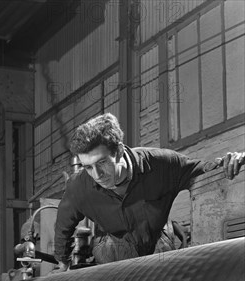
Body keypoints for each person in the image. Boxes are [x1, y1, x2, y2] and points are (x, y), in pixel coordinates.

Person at [54, 113, 244, 271]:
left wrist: (229, 163)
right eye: (88, 167)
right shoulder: (78, 187)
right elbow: (64, 223)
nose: (97, 174)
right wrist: (63, 263)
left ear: (119, 151)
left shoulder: (162, 165)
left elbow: (202, 173)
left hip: (158, 243)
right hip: (114, 247)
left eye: (102, 162)